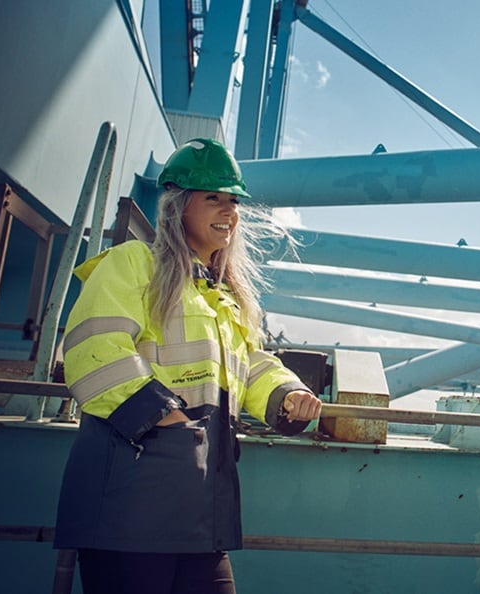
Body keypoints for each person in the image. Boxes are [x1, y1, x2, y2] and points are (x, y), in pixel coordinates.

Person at [54, 137, 322, 593]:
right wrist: (169, 419)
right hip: (131, 507)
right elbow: (93, 349)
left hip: (201, 512)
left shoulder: (223, 297)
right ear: (178, 206)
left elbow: (250, 364)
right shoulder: (133, 264)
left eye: (233, 200)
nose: (229, 211)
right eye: (213, 198)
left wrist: (286, 393)